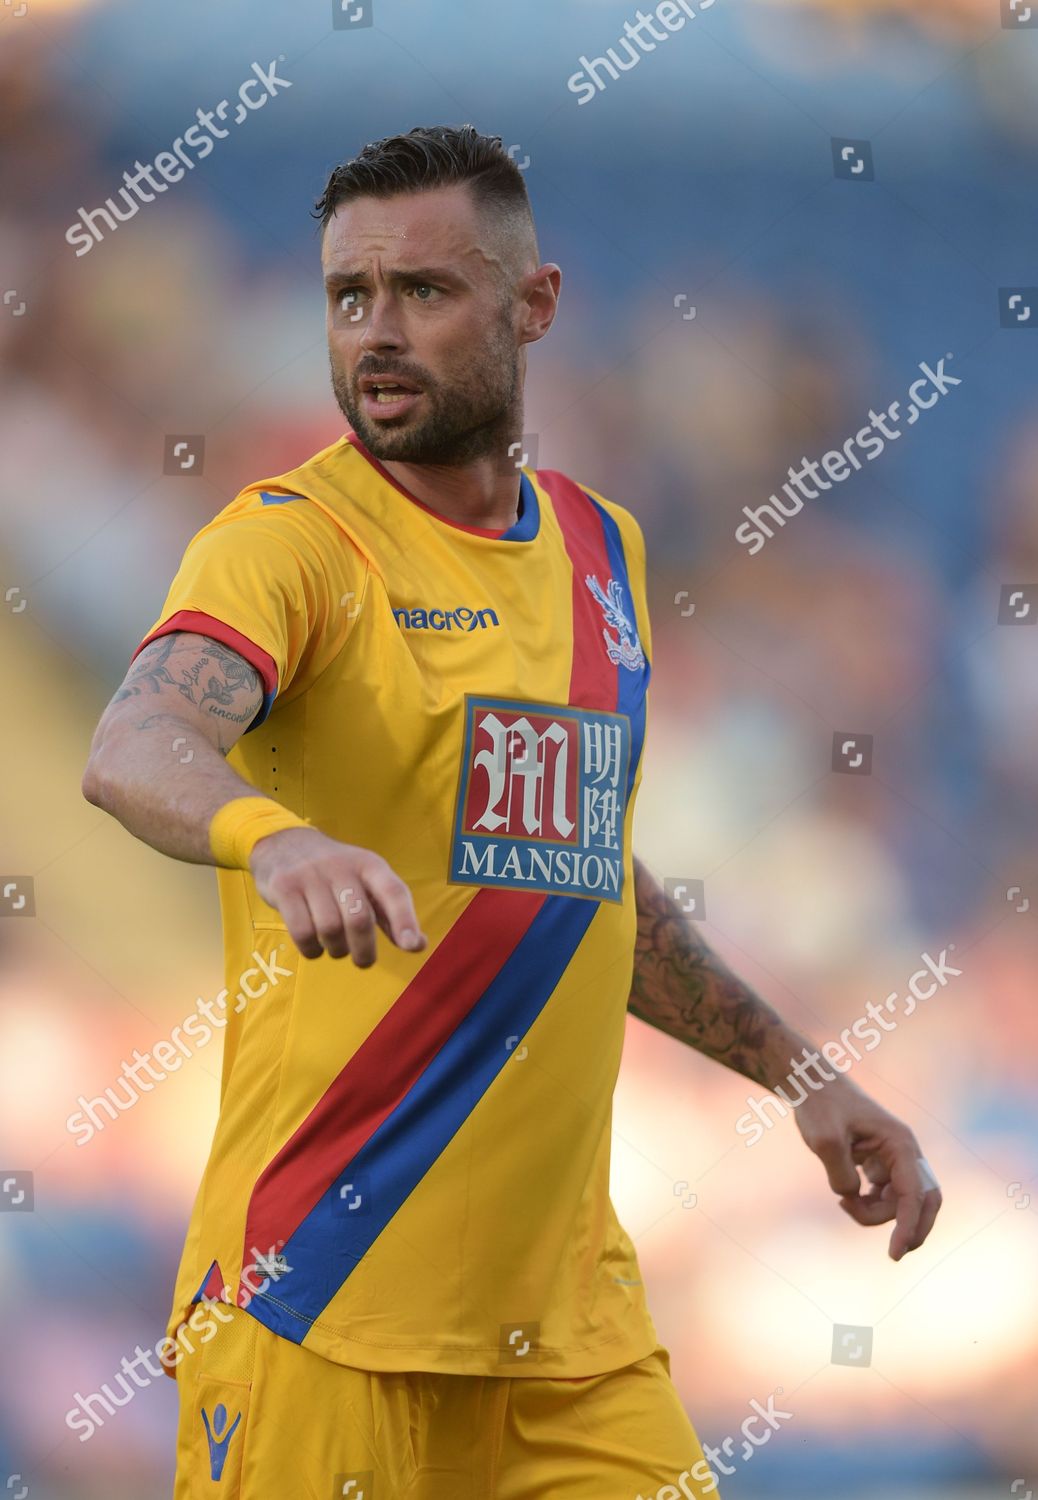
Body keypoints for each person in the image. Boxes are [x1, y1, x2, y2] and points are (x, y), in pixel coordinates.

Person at [81, 123, 942, 1500]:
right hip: (322, 1301)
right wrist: (275, 835)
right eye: (346, 296)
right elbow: (136, 740)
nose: (374, 331)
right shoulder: (288, 544)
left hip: (568, 1335)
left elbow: (580, 871)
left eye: (423, 291)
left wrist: (798, 1072)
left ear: (533, 305)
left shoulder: (603, 549)